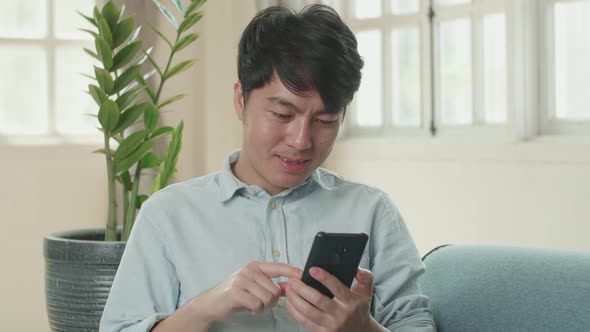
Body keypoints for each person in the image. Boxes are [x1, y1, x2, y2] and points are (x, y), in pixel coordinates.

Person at [100, 4, 436, 332]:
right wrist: (204, 307)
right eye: (282, 115)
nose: (301, 140)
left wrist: (362, 329)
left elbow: (416, 324)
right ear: (241, 101)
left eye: (325, 120)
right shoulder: (167, 215)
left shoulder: (373, 212)